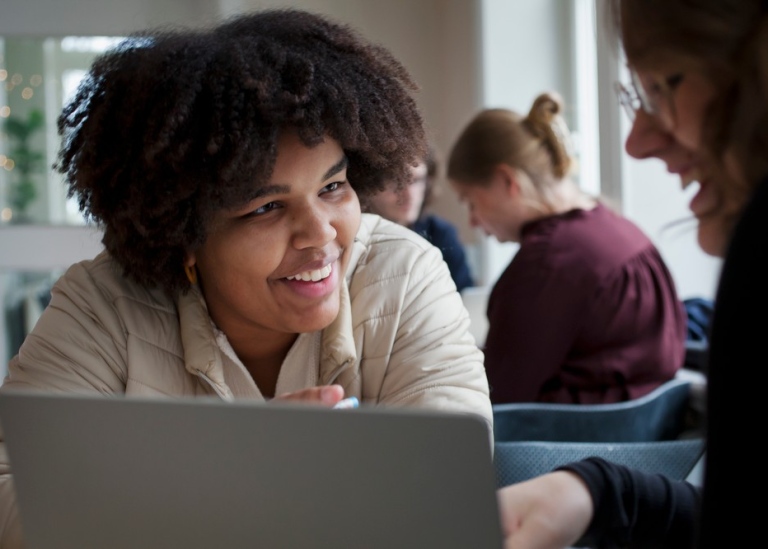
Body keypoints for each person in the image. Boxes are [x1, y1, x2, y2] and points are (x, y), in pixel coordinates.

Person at [0, 9, 492, 547]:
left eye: (333, 188)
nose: (320, 234)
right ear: (185, 233)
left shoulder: (406, 274)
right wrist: (227, 475)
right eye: (266, 208)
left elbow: (446, 501)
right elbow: (12, 494)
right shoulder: (101, 305)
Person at [496, 0, 767, 547]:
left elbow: (497, 397)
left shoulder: (549, 261)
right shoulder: (613, 229)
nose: (636, 142)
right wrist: (599, 490)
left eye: (658, 89)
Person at [447, 92, 687, 404]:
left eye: (470, 201)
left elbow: (498, 397)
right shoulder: (623, 231)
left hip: (568, 445)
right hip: (652, 439)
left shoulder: (546, 264)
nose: (473, 222)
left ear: (507, 180)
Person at [363, 146, 476, 292]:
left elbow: (465, 298)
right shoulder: (356, 239)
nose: (409, 194)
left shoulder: (442, 235)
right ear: (370, 185)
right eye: (396, 182)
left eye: (416, 180)